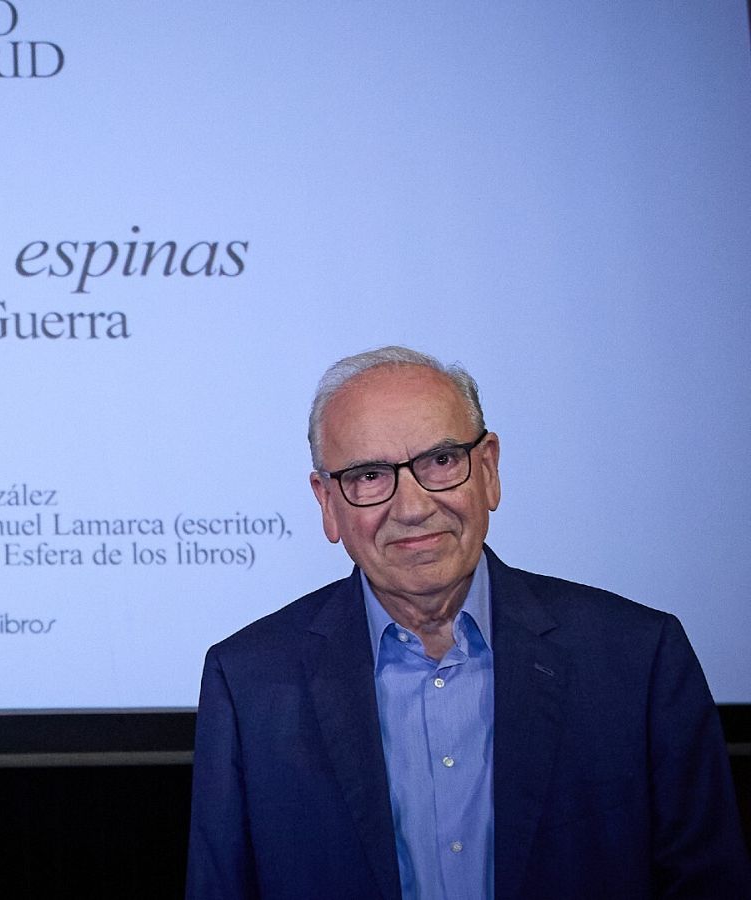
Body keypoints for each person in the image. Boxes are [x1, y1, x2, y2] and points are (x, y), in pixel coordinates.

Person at [185, 345, 750, 899]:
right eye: (369, 475)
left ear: (489, 470)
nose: (413, 508)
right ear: (327, 503)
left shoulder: (638, 657)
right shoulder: (248, 682)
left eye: (441, 461)